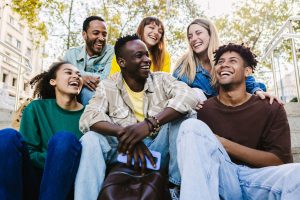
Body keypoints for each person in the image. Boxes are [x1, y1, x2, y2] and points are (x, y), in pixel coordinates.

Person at [74, 34, 198, 200]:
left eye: (146, 54)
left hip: (158, 148)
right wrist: (129, 134)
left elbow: (188, 96)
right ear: (122, 62)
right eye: (139, 55)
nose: (147, 59)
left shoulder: (161, 79)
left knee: (185, 117)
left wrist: (149, 125)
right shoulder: (108, 85)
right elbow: (88, 118)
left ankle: (176, 188)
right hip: (124, 150)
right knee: (91, 138)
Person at [177, 43, 300, 200]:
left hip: (257, 179)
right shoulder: (204, 110)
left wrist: (221, 142)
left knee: (297, 173)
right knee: (190, 126)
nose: (224, 65)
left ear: (247, 71)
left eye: (233, 61)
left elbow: (279, 160)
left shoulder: (270, 107)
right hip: (222, 178)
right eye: (220, 62)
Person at [0, 61, 84, 200]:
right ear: (53, 81)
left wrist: (62, 155)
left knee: (64, 139)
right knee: (7, 136)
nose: (76, 76)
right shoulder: (35, 108)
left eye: (79, 75)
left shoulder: (90, 116)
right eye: (68, 72)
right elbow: (29, 152)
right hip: (31, 180)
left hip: (65, 186)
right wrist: (57, 157)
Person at [173, 18, 276, 102]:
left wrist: (257, 90)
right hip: (196, 116)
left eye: (198, 33)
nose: (194, 39)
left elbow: (242, 76)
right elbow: (176, 93)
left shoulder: (225, 56)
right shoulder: (184, 66)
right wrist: (191, 101)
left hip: (225, 112)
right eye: (190, 37)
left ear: (210, 34)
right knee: (196, 93)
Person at [64, 16, 114, 106]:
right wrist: (81, 78)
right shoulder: (71, 54)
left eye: (104, 34)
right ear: (84, 35)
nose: (101, 38)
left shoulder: (112, 52)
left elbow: (107, 79)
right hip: (71, 95)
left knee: (87, 92)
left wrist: (78, 77)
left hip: (100, 97)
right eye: (96, 33)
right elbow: (63, 77)